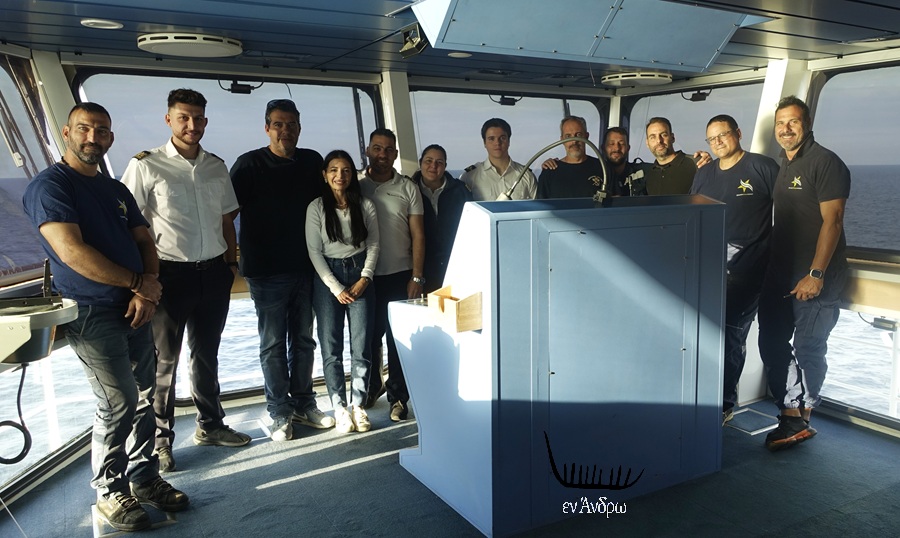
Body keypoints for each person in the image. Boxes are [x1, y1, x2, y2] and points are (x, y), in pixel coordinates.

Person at [23, 103, 189, 532]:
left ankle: (145, 478)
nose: (93, 138)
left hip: (136, 305)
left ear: (111, 138)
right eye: (84, 129)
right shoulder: (50, 187)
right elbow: (71, 252)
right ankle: (110, 490)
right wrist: (138, 283)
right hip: (91, 311)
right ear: (66, 132)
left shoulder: (115, 189)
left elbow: (144, 240)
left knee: (147, 394)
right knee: (118, 401)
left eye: (101, 131)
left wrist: (146, 288)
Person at [121, 89, 249, 473]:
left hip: (213, 274)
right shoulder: (146, 166)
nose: (191, 125)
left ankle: (211, 425)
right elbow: (129, 224)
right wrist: (143, 280)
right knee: (164, 364)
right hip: (169, 277)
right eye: (183, 117)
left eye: (197, 118)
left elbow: (226, 219)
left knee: (207, 355)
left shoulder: (216, 166)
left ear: (205, 121)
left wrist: (230, 266)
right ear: (169, 120)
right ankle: (160, 442)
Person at [230, 99, 334, 442]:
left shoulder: (312, 161)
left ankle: (304, 404)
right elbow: (226, 215)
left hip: (306, 267)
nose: (285, 130)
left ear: (299, 128)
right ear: (267, 128)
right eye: (278, 124)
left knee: (303, 341)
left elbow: (330, 204)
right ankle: (279, 412)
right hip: (265, 271)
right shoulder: (249, 164)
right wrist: (229, 260)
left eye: (291, 124)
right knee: (273, 344)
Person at [757, 95, 851, 451]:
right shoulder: (784, 164)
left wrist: (816, 273)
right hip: (780, 273)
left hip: (814, 277)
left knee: (809, 346)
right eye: (780, 123)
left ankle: (801, 418)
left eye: (793, 121)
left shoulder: (826, 162)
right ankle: (790, 410)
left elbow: (834, 221)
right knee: (771, 340)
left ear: (807, 124)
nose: (786, 129)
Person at [689, 114, 778, 425]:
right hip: (708, 268)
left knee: (730, 336)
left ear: (738, 133)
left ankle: (723, 405)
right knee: (702, 333)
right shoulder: (704, 174)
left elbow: (789, 210)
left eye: (723, 135)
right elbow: (695, 216)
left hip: (748, 272)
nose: (717, 142)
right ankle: (701, 397)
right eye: (711, 139)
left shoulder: (762, 167)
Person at [306, 150, 380, 433]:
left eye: (346, 170)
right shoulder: (316, 208)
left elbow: (374, 244)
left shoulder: (365, 204)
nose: (340, 175)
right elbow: (314, 252)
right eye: (334, 170)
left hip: (360, 274)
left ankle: (358, 405)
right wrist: (336, 287)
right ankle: (339, 407)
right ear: (325, 175)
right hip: (328, 278)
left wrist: (364, 278)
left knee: (361, 346)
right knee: (331, 348)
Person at [359, 128, 425, 421]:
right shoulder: (356, 185)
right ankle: (372, 388)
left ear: (395, 154)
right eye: (377, 148)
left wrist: (417, 276)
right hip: (366, 276)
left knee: (399, 340)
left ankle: (398, 397)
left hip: (401, 274)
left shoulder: (408, 188)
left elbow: (418, 234)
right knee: (369, 338)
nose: (382, 154)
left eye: (388, 149)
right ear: (368, 150)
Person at [410, 144, 473, 291]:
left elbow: (470, 228)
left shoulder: (460, 191)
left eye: (439, 162)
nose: (433, 166)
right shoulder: (409, 190)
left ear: (445, 166)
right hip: (420, 269)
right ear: (420, 163)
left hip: (455, 265)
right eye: (428, 161)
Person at [461, 118, 537, 200]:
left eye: (502, 138)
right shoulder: (470, 177)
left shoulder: (526, 175)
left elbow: (537, 207)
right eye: (491, 139)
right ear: (484, 143)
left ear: (509, 141)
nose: (497, 143)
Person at [536, 116, 607, 199]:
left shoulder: (603, 168)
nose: (574, 141)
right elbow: (541, 205)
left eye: (578, 135)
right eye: (568, 136)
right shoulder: (549, 173)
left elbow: (616, 202)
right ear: (561, 140)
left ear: (586, 136)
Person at [639, 117, 697, 195]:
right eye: (652, 137)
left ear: (672, 138)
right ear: (647, 143)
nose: (659, 141)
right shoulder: (648, 175)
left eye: (664, 135)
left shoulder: (695, 163)